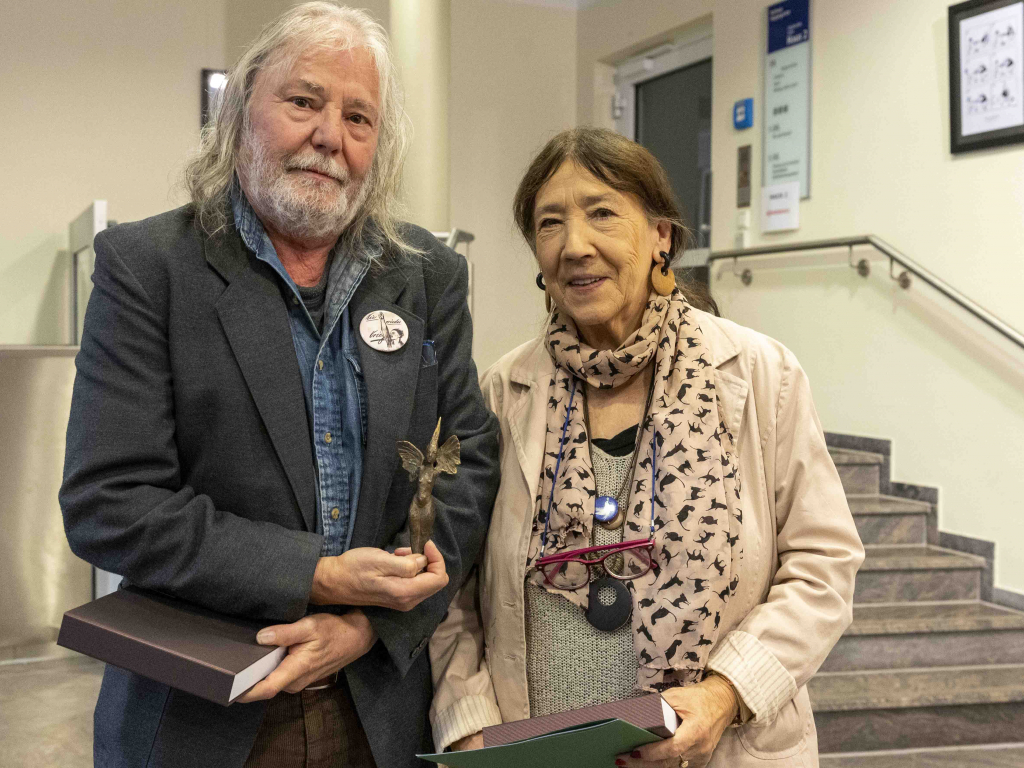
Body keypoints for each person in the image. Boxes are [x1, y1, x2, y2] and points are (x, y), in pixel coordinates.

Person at [59, 4, 499, 767]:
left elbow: (469, 460)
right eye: (304, 102)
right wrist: (319, 576)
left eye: (359, 118)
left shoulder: (427, 277)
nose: (330, 136)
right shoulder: (149, 268)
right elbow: (110, 503)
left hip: (381, 712)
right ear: (238, 113)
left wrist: (370, 624)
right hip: (204, 713)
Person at [428, 127, 864, 767]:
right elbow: (452, 589)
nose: (575, 246)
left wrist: (723, 696)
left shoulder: (760, 375)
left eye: (602, 212)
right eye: (550, 224)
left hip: (721, 750)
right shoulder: (500, 392)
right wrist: (469, 723)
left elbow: (824, 564)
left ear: (661, 235)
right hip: (539, 756)